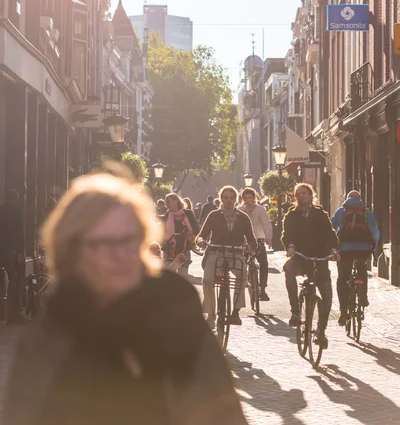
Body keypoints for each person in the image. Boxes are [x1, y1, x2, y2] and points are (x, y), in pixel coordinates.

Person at [3, 172, 247, 425]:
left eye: (130, 240)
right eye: (102, 243)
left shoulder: (177, 309)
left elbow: (221, 410)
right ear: (73, 252)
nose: (120, 255)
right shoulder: (53, 327)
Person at [281, 183, 339, 349]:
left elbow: (330, 234)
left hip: (319, 259)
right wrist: (290, 246)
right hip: (300, 257)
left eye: (304, 193)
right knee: (288, 268)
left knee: (327, 296)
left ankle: (321, 331)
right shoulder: (291, 215)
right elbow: (287, 234)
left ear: (311, 195)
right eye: (298, 194)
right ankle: (295, 312)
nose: (301, 197)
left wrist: (334, 250)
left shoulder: (321, 214)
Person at [197, 186, 257, 327]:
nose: (228, 200)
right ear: (221, 199)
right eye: (225, 197)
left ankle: (235, 312)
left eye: (231, 197)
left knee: (242, 277)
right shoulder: (213, 215)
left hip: (236, 253)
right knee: (207, 280)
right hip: (215, 252)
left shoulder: (243, 218)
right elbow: (202, 234)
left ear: (235, 199)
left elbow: (252, 239)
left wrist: (250, 247)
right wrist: (200, 241)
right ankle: (211, 312)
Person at [331, 190, 380, 326]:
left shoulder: (341, 211)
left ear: (347, 199)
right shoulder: (367, 212)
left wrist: (332, 247)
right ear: (360, 199)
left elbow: (331, 229)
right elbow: (375, 230)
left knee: (342, 278)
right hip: (363, 250)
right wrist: (373, 247)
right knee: (362, 271)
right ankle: (363, 296)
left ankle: (343, 311)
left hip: (345, 250)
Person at [238, 187, 272, 301]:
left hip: (258, 239)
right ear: (243, 199)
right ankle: (245, 283)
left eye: (250, 197)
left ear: (254, 198)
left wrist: (268, 237)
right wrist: (245, 213)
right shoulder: (239, 209)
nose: (248, 200)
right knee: (242, 264)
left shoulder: (260, 209)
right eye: (246, 198)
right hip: (244, 241)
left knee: (263, 263)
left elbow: (266, 223)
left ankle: (262, 289)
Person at [0, 190, 25, 322]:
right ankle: (13, 313)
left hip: (2, 250)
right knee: (14, 281)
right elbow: (19, 232)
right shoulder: (16, 211)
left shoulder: (1, 210)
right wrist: (21, 252)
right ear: (16, 198)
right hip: (12, 251)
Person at [159, 193, 199, 276]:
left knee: (182, 277)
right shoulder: (166, 216)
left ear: (176, 200)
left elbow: (196, 229)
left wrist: (189, 235)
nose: (167, 205)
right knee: (168, 278)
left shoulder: (188, 213)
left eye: (168, 202)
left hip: (184, 250)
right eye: (166, 202)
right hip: (170, 250)